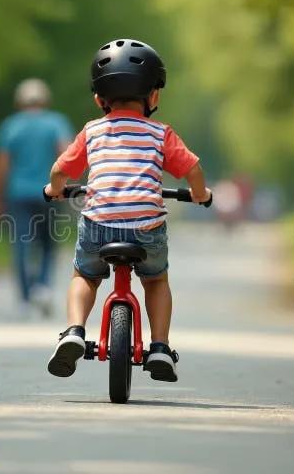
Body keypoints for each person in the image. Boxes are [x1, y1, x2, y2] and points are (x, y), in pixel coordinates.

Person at [43, 39, 211, 381]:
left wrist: (55, 190)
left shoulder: (92, 131)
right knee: (156, 280)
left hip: (99, 224)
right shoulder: (160, 133)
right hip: (146, 228)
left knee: (85, 276)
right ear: (154, 97)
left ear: (98, 99)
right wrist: (199, 194)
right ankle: (161, 347)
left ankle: (74, 330)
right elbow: (192, 170)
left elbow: (60, 171)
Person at [0, 78, 73, 319]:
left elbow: (1, 164)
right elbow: (65, 154)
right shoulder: (56, 122)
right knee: (48, 243)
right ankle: (43, 286)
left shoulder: (10, 126)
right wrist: (67, 188)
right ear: (45, 100)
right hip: (50, 192)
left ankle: (25, 298)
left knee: (21, 244)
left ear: (19, 101)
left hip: (18, 193)